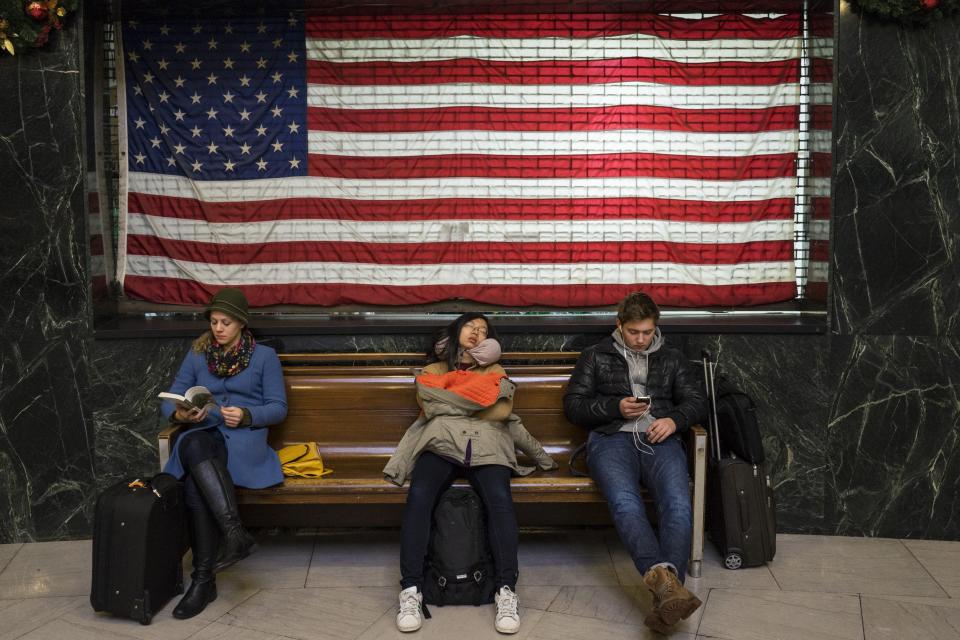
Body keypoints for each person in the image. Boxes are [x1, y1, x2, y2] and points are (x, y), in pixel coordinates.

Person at [563, 292, 706, 634]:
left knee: (677, 504)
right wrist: (615, 408)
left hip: (659, 438)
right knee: (626, 504)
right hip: (611, 439)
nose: (641, 339)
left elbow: (696, 401)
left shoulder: (671, 358)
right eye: (633, 332)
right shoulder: (595, 356)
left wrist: (673, 421)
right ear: (619, 325)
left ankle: (666, 594)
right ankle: (670, 592)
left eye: (646, 332)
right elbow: (573, 406)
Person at [386, 313, 524, 634]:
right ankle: (411, 589)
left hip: (486, 446)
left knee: (500, 500)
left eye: (483, 330)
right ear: (455, 330)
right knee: (420, 495)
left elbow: (503, 409)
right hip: (442, 445)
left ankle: (506, 590)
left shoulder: (495, 369)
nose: (476, 333)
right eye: (470, 327)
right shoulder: (433, 369)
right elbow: (429, 404)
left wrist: (451, 395)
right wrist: (478, 398)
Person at [160, 288, 287, 620]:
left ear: (241, 324)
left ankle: (204, 581)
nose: (217, 328)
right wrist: (180, 415)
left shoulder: (264, 357)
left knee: (195, 480)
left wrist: (247, 414)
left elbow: (278, 409)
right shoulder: (198, 354)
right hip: (204, 434)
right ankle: (233, 537)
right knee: (191, 443)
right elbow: (168, 400)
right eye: (214, 321)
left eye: (225, 322)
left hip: (243, 442)